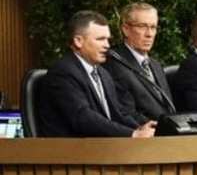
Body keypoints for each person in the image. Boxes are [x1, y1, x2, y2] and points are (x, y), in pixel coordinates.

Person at [36, 10, 157, 138]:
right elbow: (83, 118)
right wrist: (132, 134)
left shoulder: (102, 73)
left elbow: (117, 114)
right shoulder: (63, 73)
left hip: (102, 149)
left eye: (108, 40)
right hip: (70, 153)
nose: (107, 45)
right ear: (78, 41)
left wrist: (140, 128)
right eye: (100, 39)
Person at [105, 2, 176, 123]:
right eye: (142, 26)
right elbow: (126, 113)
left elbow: (167, 108)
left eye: (153, 27)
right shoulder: (114, 63)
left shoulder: (155, 65)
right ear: (126, 29)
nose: (149, 34)